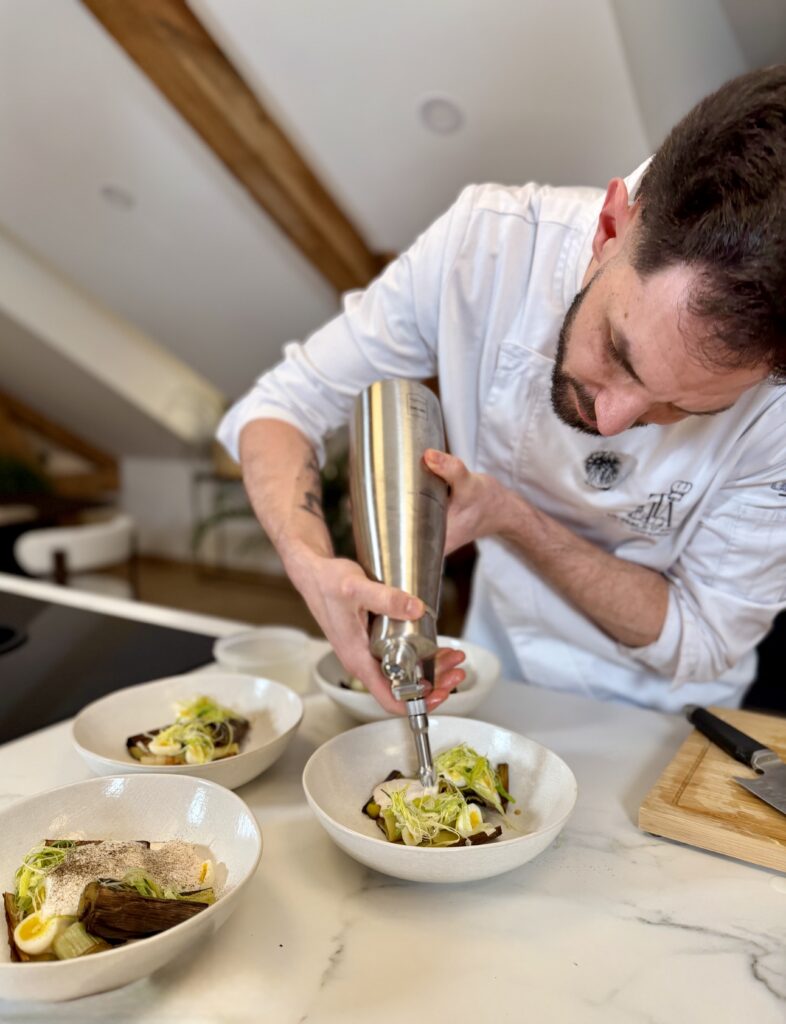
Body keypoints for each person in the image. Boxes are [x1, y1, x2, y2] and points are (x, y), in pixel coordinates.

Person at [218, 66, 786, 715]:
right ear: (610, 228)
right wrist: (313, 567)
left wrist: (511, 517)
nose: (611, 420)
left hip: (667, 715)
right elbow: (281, 407)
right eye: (616, 351)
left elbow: (703, 636)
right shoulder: (489, 247)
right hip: (497, 675)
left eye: (683, 408)